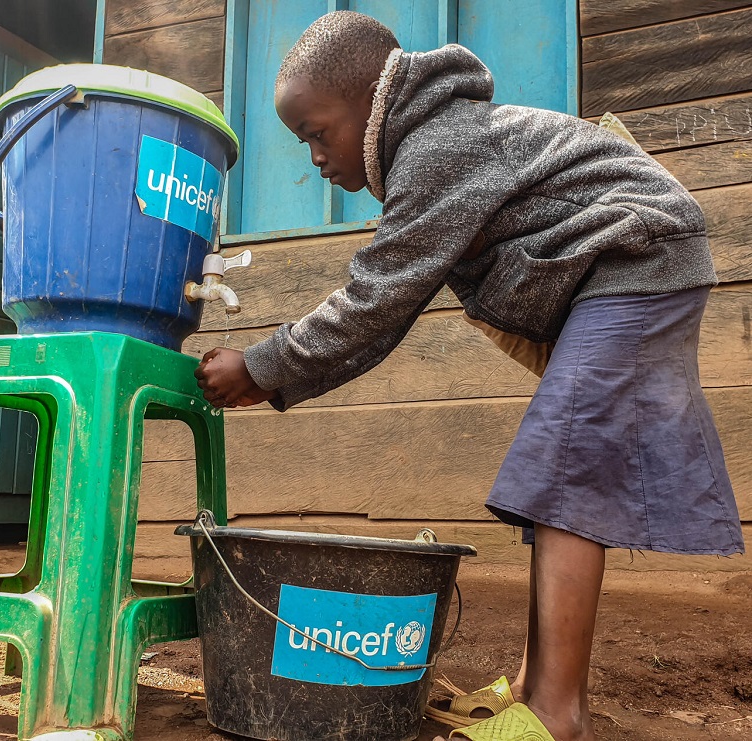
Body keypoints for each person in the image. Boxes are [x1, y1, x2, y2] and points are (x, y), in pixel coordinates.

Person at [193, 11, 745, 741]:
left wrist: (261, 365)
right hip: (616, 271)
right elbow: (384, 321)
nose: (315, 159)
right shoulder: (435, 151)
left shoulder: (438, 149)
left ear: (370, 100)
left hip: (636, 261)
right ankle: (534, 687)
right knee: (559, 476)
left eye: (318, 132)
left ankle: (556, 713)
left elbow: (372, 299)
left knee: (566, 473)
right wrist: (273, 378)